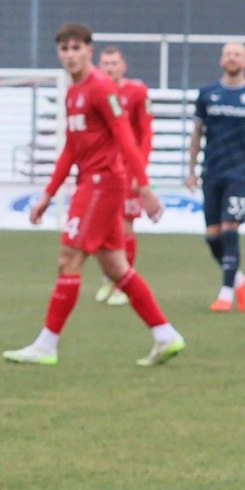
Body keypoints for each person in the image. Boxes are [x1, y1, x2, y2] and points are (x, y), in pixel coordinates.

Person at [4, 23, 183, 367]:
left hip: (103, 183)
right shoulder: (73, 91)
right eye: (64, 49)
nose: (70, 55)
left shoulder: (100, 87)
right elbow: (71, 149)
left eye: (76, 48)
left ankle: (47, 344)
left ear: (89, 50)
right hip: (92, 181)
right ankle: (165, 335)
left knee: (68, 258)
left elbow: (126, 138)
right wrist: (47, 194)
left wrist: (144, 187)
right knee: (117, 267)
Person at [185, 41, 245, 312]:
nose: (232, 57)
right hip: (211, 172)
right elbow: (197, 133)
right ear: (221, 60)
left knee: (229, 230)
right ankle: (239, 280)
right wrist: (190, 169)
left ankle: (226, 294)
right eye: (227, 53)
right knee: (212, 236)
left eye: (237, 54)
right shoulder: (207, 94)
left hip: (239, 173)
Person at [93, 46, 153, 307]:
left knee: (126, 225)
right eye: (105, 63)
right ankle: (111, 277)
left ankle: (123, 282)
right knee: (104, 226)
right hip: (101, 168)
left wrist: (139, 171)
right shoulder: (96, 92)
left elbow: (146, 134)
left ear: (123, 66)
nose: (110, 68)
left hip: (127, 169)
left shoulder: (137, 92)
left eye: (114, 63)